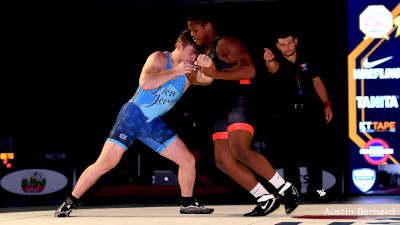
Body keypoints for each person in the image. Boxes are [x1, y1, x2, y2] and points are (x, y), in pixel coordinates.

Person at [54, 30, 215, 217]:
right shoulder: (159, 58)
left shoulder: (190, 70)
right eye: (191, 52)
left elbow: (208, 80)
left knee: (187, 161)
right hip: (133, 116)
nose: (194, 57)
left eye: (196, 54)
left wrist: (209, 66)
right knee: (105, 164)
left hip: (152, 123)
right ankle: (68, 202)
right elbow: (145, 83)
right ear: (179, 46)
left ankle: (187, 203)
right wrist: (175, 71)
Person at [187, 6, 300, 216]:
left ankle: (285, 188)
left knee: (239, 148)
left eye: (195, 29)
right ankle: (264, 197)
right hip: (221, 105)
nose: (193, 34)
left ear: (208, 26)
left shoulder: (226, 43)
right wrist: (196, 75)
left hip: (240, 100)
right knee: (222, 159)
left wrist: (215, 72)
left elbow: (250, 70)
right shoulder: (204, 51)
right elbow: (204, 79)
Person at [262, 31, 333, 202]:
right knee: (289, 156)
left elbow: (317, 81)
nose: (287, 48)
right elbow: (272, 69)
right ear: (278, 46)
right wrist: (269, 60)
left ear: (296, 41)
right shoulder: (276, 60)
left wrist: (326, 103)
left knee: (314, 153)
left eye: (289, 43)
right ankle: (293, 194)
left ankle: (317, 191)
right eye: (282, 45)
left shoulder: (307, 58)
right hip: (287, 115)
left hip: (310, 112)